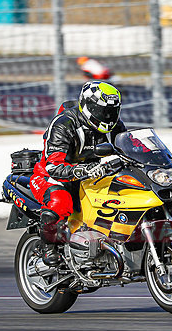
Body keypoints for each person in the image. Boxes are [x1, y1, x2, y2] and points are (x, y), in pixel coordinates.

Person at [29, 81, 126, 265]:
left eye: (111, 112)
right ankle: (49, 249)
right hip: (50, 176)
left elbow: (127, 149)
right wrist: (84, 170)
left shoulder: (115, 126)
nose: (107, 116)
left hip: (90, 177)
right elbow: (53, 167)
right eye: (102, 111)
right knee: (60, 201)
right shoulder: (64, 124)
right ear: (87, 106)